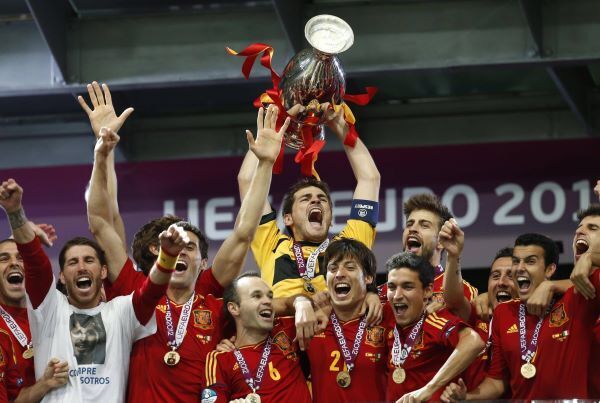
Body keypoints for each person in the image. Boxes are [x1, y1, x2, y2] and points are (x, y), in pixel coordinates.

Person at [0, 178, 186, 402]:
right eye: (73, 262)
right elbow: (34, 260)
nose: (81, 267)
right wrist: (15, 212)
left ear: (104, 271)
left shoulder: (121, 311)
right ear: (62, 275)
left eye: (89, 260)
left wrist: (168, 257)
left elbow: (151, 291)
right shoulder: (49, 309)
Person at [238, 102, 381, 299]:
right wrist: (279, 126)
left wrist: (340, 127)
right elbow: (247, 181)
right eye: (306, 199)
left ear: (330, 219)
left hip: (334, 319)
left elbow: (370, 179)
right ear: (287, 218)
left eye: (322, 199)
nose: (316, 202)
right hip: (282, 320)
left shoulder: (350, 246)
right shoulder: (270, 243)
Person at [442, 232, 600, 400]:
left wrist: (588, 257)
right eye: (516, 261)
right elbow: (497, 382)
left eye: (530, 261)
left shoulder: (575, 302)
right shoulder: (504, 313)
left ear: (549, 269)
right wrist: (466, 397)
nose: (519, 268)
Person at [385, 252, 484, 402]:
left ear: (427, 291)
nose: (397, 295)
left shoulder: (434, 320)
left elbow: (474, 341)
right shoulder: (386, 318)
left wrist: (428, 389)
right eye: (392, 287)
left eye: (407, 287)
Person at [305, 238, 393, 402]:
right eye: (332, 268)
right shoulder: (312, 321)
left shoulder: (385, 315)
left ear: (368, 277)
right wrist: (300, 302)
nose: (339, 274)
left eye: (350, 267)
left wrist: (373, 294)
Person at [203, 273, 312, 403]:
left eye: (270, 296)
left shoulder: (288, 330)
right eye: (257, 296)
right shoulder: (220, 359)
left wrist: (302, 302)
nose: (268, 301)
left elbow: (322, 303)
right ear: (234, 308)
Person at [0, 238, 70, 402]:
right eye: (3, 259)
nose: (14, 263)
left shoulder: (57, 312)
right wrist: (44, 385)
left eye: (21, 258)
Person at [378, 194, 478, 307]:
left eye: (424, 225)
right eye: (409, 224)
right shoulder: (381, 294)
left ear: (441, 241)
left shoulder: (462, 292)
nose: (412, 229)